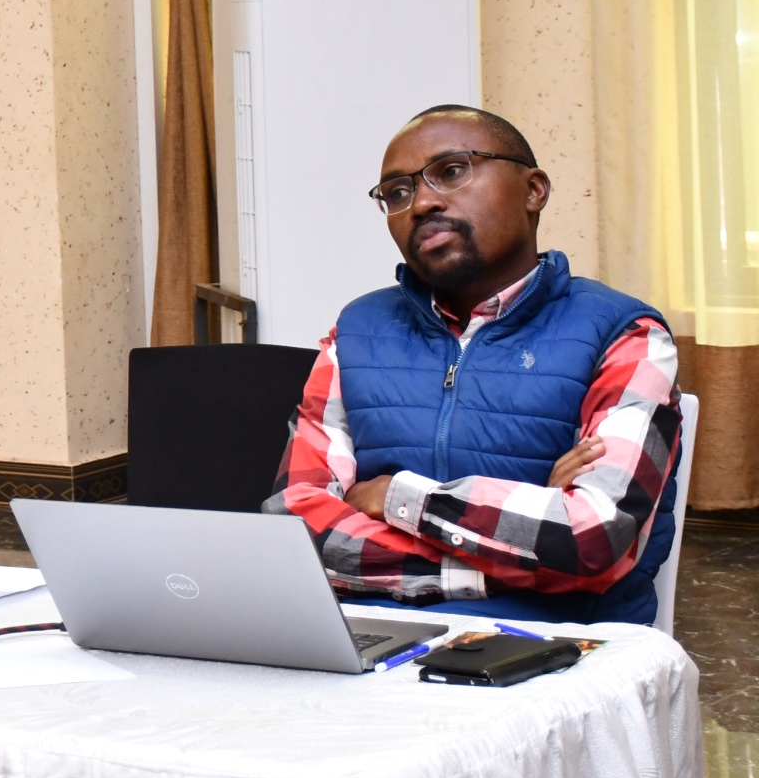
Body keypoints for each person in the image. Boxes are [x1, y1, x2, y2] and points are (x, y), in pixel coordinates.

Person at [264, 105, 684, 624]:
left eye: (453, 170)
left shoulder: (626, 335)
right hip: (371, 632)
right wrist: (517, 548)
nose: (420, 202)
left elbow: (594, 539)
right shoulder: (355, 333)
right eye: (397, 193)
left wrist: (392, 495)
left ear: (533, 190)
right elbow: (293, 524)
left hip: (557, 645)